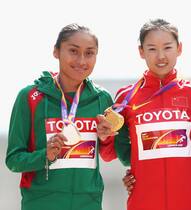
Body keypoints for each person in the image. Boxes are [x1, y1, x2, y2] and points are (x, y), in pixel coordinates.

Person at [97, 19, 191, 210]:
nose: (161, 56)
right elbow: (113, 153)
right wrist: (106, 138)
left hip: (189, 201)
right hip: (143, 201)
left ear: (179, 48)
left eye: (167, 47)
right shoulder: (126, 96)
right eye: (152, 49)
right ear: (141, 52)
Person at [6, 23, 116, 210]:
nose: (82, 61)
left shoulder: (102, 98)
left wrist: (106, 139)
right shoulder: (30, 96)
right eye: (73, 51)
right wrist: (44, 156)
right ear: (56, 51)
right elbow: (14, 160)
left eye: (89, 53)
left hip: (88, 204)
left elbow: (109, 155)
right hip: (41, 203)